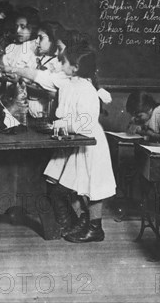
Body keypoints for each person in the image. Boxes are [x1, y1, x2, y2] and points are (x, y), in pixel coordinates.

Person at [43, 44, 116, 243]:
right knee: (72, 185)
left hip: (91, 144)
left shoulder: (86, 90)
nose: (59, 63)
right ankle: (83, 221)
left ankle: (95, 228)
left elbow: (85, 125)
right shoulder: (69, 84)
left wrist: (60, 124)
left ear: (75, 67)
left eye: (63, 61)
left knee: (93, 187)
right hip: (76, 143)